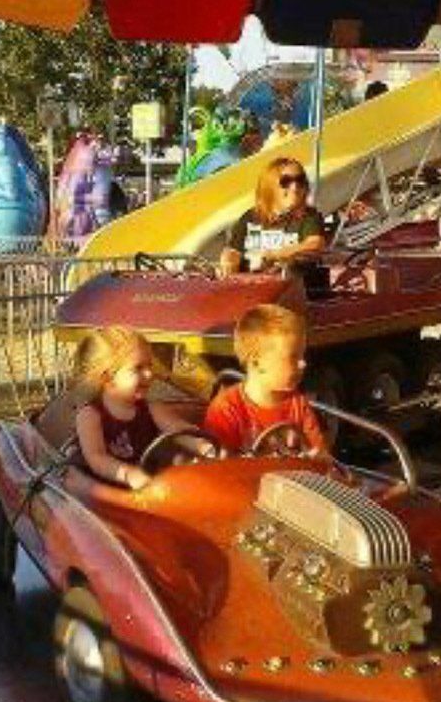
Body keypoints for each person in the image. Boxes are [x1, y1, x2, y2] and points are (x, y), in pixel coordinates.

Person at [74, 326, 215, 491]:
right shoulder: (90, 415)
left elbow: (177, 430)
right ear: (107, 377)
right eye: (138, 368)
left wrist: (203, 447)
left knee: (181, 461)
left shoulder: (151, 408)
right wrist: (128, 474)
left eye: (149, 366)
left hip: (146, 485)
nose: (149, 374)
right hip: (105, 490)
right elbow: (97, 459)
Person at [203, 305, 328, 457]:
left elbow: (320, 456)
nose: (303, 363)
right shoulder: (226, 409)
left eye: (302, 355)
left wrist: (314, 457)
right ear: (257, 363)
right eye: (293, 357)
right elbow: (218, 468)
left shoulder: (298, 404)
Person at [220, 157, 326, 275]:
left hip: (291, 288)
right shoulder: (250, 216)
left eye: (300, 180)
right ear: (270, 186)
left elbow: (315, 244)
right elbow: (233, 251)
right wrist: (228, 262)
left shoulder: (309, 216)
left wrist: (274, 255)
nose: (295, 187)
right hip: (250, 286)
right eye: (286, 181)